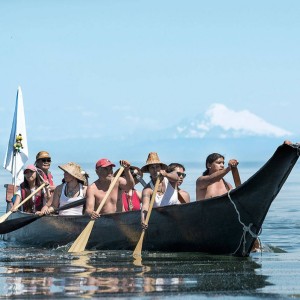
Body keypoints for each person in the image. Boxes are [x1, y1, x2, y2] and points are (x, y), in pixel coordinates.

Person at [140, 152, 181, 228]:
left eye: (157, 167)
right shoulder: (147, 189)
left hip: (177, 219)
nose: (155, 170)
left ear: (161, 168)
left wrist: (166, 174)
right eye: (152, 168)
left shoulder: (170, 179)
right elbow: (145, 206)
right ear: (149, 170)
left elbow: (176, 177)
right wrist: (143, 220)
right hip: (161, 222)